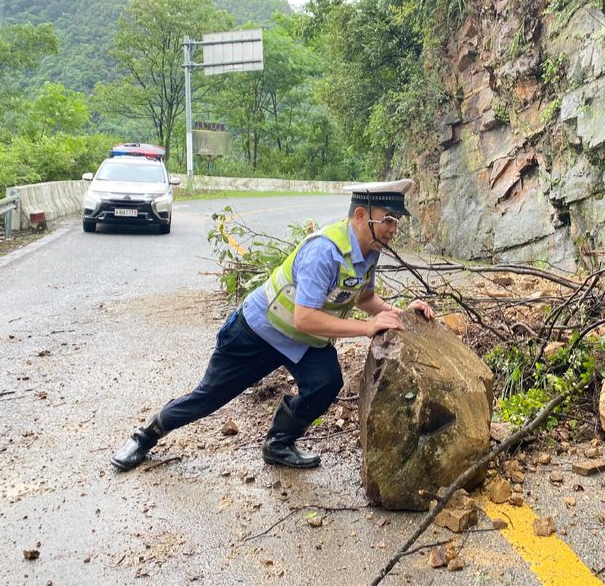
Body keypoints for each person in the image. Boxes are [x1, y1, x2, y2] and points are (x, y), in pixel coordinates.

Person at [111, 179, 434, 471]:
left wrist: (399, 313)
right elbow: (304, 317)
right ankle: (145, 436)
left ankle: (278, 443)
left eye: (397, 221)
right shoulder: (325, 252)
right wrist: (366, 329)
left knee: (326, 382)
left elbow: (364, 299)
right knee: (209, 397)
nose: (394, 228)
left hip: (303, 340)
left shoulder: (370, 250)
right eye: (388, 219)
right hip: (258, 332)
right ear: (362, 215)